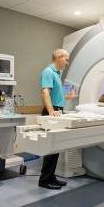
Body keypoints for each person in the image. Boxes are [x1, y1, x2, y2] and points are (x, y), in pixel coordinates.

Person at [38, 48, 76, 190]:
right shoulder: (48, 72)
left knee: (56, 148)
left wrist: (68, 97)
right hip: (51, 112)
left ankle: (51, 177)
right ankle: (44, 180)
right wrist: (51, 111)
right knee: (50, 148)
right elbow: (45, 92)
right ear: (59, 57)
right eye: (66, 59)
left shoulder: (57, 73)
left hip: (57, 110)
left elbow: (56, 94)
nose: (67, 63)